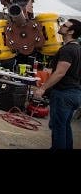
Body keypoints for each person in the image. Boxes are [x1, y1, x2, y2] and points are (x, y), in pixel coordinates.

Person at [34, 18, 81, 149]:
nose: (61, 26)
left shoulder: (68, 50)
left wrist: (42, 88)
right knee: (64, 126)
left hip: (64, 94)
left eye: (65, 26)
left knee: (58, 127)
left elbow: (60, 73)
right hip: (74, 93)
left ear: (71, 32)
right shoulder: (77, 49)